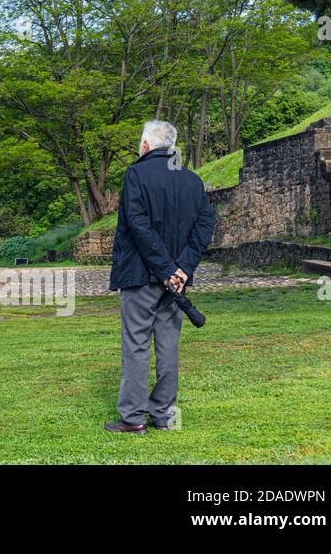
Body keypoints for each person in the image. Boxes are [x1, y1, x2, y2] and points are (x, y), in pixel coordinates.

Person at [104, 120, 215, 434]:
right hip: (175, 280)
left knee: (136, 345)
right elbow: (205, 225)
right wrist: (181, 269)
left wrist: (168, 270)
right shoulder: (192, 181)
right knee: (168, 345)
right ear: (172, 146)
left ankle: (133, 418)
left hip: (141, 276)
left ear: (144, 146)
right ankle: (164, 416)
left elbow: (138, 226)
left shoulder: (135, 175)